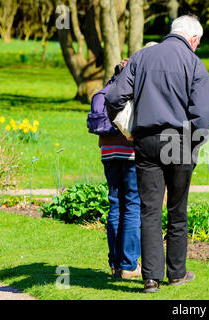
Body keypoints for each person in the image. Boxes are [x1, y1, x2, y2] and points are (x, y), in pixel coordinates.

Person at [105, 15, 209, 293]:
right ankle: (177, 273)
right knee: (177, 210)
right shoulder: (194, 63)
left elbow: (113, 96)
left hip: (146, 141)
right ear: (193, 38)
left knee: (149, 210)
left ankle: (151, 278)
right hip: (180, 141)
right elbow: (204, 113)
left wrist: (125, 125)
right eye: (198, 42)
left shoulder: (142, 57)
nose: (197, 47)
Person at [93, 58, 142, 280]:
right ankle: (129, 264)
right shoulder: (130, 91)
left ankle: (114, 263)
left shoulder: (104, 91)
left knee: (115, 204)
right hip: (129, 152)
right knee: (132, 204)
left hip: (107, 152)